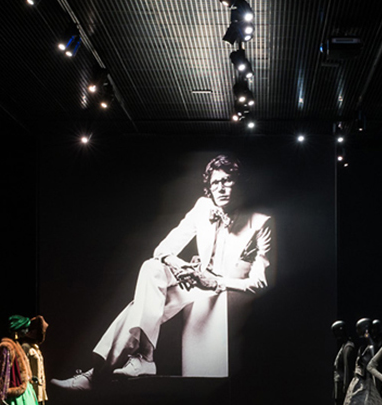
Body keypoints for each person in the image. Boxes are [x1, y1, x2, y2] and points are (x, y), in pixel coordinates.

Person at [55, 155, 272, 389]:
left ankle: (98, 374)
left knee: (140, 307)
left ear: (240, 182)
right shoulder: (203, 206)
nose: (220, 187)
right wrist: (182, 267)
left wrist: (216, 281)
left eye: (227, 180)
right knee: (151, 267)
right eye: (215, 183)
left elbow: (260, 281)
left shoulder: (261, 221)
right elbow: (162, 250)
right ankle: (144, 358)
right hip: (195, 280)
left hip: (220, 287)